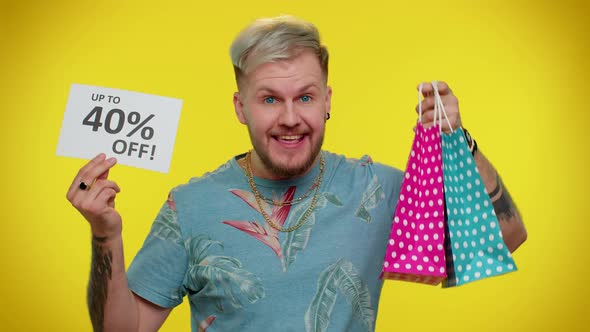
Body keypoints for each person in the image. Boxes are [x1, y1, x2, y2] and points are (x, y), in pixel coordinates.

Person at [66, 15, 527, 332]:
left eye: (304, 97)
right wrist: (105, 234)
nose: (290, 117)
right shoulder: (189, 207)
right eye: (269, 99)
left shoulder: (375, 191)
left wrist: (457, 140)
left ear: (327, 101)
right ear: (240, 107)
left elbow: (504, 237)